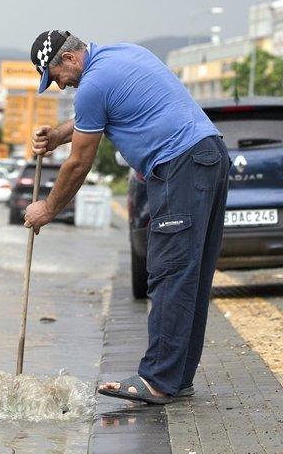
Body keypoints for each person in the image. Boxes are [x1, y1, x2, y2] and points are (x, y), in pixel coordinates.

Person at [23, 30, 228, 405]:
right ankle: (177, 378)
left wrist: (47, 209)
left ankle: (157, 381)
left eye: (55, 77)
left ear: (69, 60)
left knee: (170, 272)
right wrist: (56, 136)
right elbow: (93, 116)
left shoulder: (92, 84)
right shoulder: (121, 55)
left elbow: (79, 163)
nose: (59, 86)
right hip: (208, 155)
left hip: (178, 166)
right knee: (191, 275)